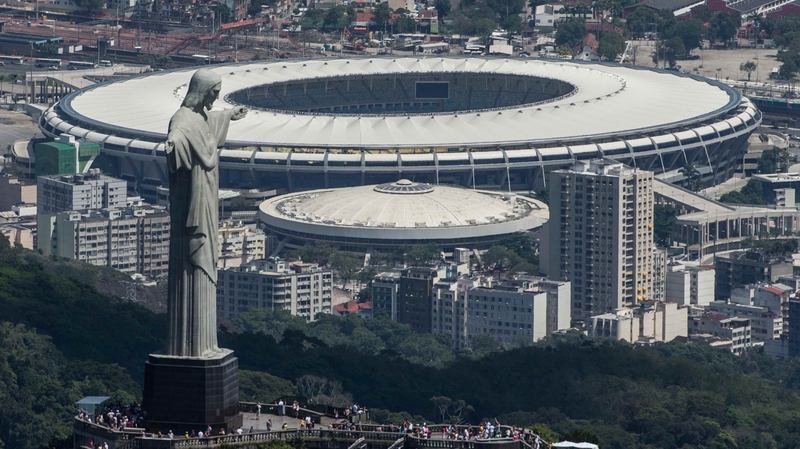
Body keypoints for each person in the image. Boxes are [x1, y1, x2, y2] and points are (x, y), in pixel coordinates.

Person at [164, 68, 247, 358]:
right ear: (202, 91)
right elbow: (178, 133)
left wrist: (229, 115)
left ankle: (206, 345)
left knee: (207, 264)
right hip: (194, 202)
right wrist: (173, 144)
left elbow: (208, 120)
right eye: (214, 93)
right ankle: (191, 347)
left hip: (209, 197)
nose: (216, 98)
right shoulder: (182, 119)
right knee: (193, 266)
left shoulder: (200, 116)